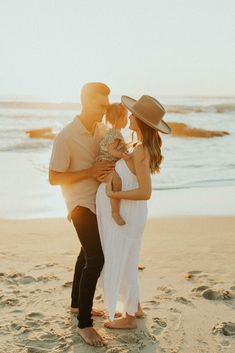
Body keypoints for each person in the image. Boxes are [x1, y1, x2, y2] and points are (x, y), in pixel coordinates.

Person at [96, 94, 171, 329]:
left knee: (125, 260)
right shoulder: (137, 148)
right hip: (128, 213)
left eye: (133, 114)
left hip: (127, 214)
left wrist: (114, 196)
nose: (129, 116)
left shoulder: (140, 151)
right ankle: (134, 307)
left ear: (141, 121)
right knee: (127, 258)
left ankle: (128, 318)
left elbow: (145, 191)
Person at [49, 82, 114, 347]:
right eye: (101, 105)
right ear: (86, 101)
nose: (105, 110)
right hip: (78, 204)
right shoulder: (65, 136)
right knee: (97, 258)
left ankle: (77, 305)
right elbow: (54, 178)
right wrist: (89, 172)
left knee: (85, 253)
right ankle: (84, 325)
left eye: (107, 105)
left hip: (100, 202)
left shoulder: (103, 130)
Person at [96, 102, 130, 225]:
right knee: (117, 181)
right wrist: (123, 155)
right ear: (120, 119)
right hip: (106, 166)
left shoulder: (113, 132)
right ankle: (115, 212)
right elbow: (112, 151)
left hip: (107, 164)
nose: (127, 120)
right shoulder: (115, 134)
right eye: (126, 117)